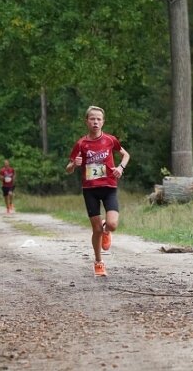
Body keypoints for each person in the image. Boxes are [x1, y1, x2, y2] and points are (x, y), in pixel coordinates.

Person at [65, 106, 130, 277]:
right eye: (92, 119)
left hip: (109, 187)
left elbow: (126, 155)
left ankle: (106, 229)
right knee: (96, 230)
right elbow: (68, 168)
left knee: (112, 224)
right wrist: (74, 165)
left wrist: (121, 168)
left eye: (99, 119)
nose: (95, 122)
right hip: (90, 190)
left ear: (103, 121)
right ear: (87, 121)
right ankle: (99, 262)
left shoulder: (110, 140)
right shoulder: (81, 144)